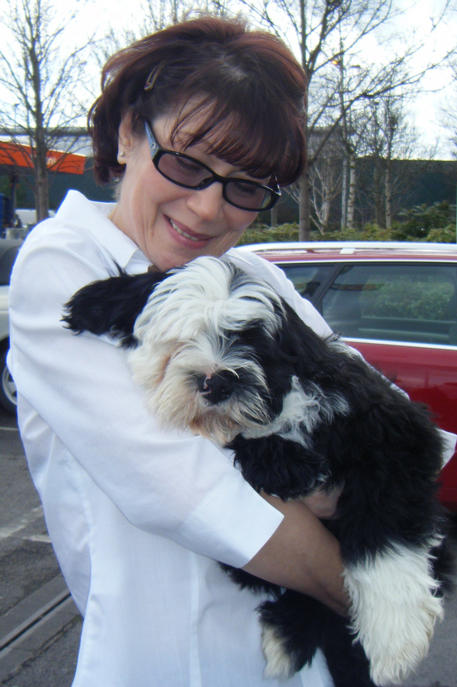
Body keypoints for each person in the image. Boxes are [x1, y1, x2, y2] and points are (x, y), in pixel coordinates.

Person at [8, 16, 360, 687]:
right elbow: (182, 488)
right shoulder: (66, 262)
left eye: (246, 186)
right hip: (168, 661)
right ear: (127, 133)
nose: (206, 209)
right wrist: (370, 591)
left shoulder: (257, 278)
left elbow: (374, 409)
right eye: (187, 163)